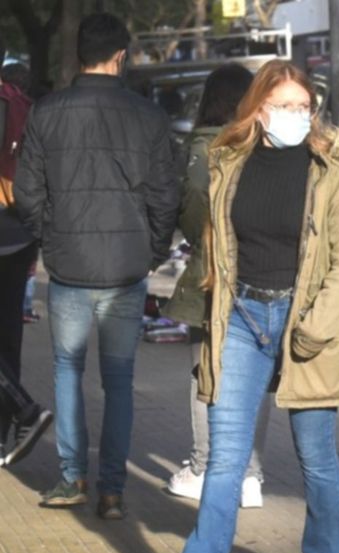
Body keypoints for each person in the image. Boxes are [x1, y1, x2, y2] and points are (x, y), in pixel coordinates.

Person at [152, 60, 339, 553]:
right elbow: (216, 245)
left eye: (304, 106)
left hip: (308, 324)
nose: (295, 116)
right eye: (283, 106)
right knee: (225, 459)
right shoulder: (228, 162)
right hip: (243, 318)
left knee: (316, 456)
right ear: (257, 109)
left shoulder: (333, 168)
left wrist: (315, 326)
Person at [14, 13, 179, 517]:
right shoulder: (148, 117)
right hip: (127, 268)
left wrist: (50, 239)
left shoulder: (46, 112)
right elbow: (165, 197)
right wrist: (151, 249)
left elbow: (27, 193)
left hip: (67, 267)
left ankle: (71, 478)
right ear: (121, 56)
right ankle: (112, 488)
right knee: (120, 378)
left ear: (79, 54)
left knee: (67, 370)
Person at [163, 64, 268, 509]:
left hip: (208, 278)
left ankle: (204, 465)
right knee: (255, 378)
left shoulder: (200, 150)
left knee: (205, 372)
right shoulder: (267, 146)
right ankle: (250, 473)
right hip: (263, 277)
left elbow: (187, 212)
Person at [1, 55, 52, 468]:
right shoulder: (23, 104)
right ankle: (5, 433)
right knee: (7, 336)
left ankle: (23, 409)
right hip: (20, 233)